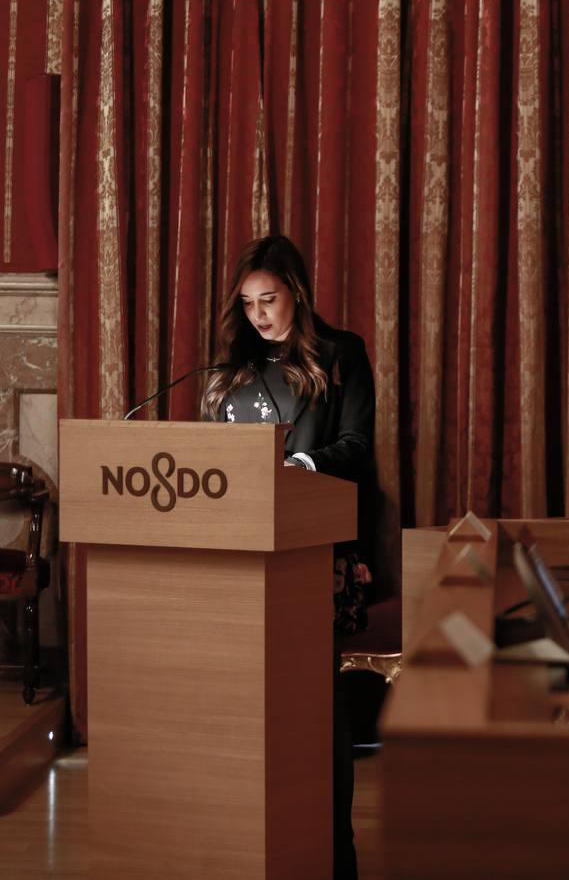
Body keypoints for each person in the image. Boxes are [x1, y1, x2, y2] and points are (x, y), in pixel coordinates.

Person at [201, 235, 373, 880]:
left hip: (315, 554)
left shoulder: (341, 353)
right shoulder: (229, 370)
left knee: (314, 713)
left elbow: (357, 444)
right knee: (242, 711)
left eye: (268, 300)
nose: (259, 315)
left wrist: (298, 466)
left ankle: (331, 855)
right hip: (238, 557)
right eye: (247, 304)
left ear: (296, 292)